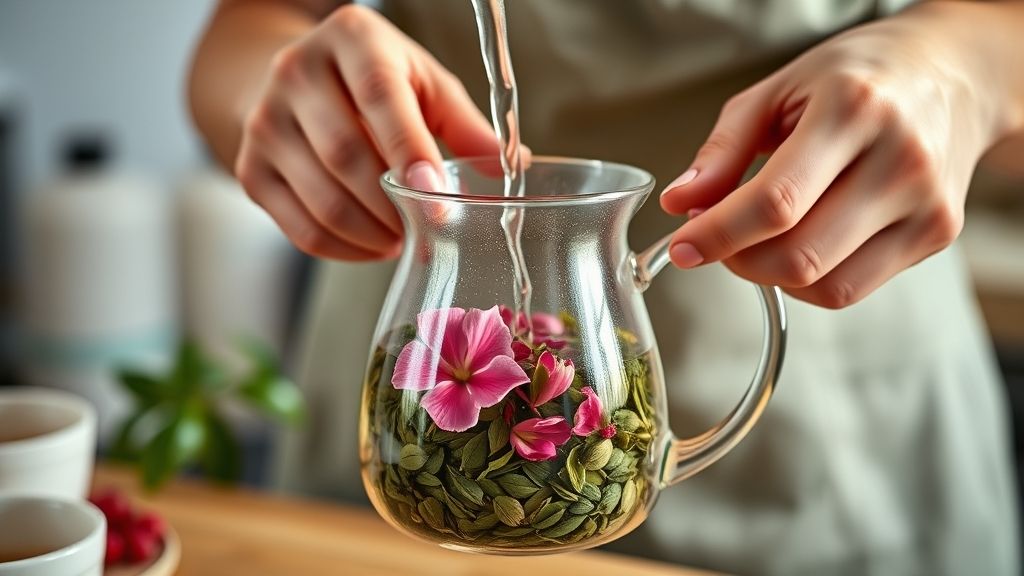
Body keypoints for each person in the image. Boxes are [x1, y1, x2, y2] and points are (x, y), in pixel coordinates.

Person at [189, 1, 1024, 574]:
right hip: (412, 417)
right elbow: (245, 30)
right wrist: (281, 89)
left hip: (843, 431)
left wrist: (964, 71)